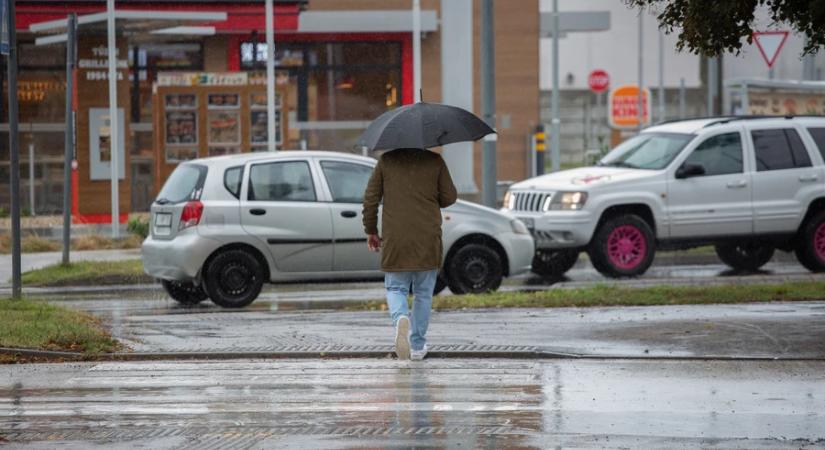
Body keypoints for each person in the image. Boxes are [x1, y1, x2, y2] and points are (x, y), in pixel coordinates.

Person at [362, 148, 457, 360]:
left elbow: (370, 199)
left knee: (396, 288)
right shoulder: (435, 161)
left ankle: (401, 318)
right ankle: (417, 346)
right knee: (423, 294)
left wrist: (371, 230)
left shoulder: (386, 161)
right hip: (427, 238)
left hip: (396, 238)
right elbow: (450, 196)